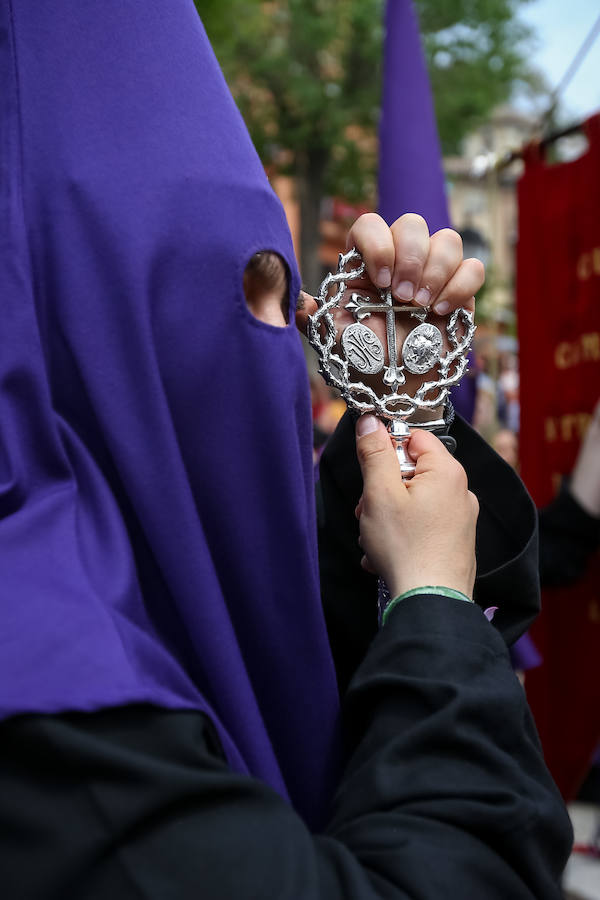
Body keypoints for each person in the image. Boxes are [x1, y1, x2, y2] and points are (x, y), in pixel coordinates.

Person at [0, 2, 571, 897]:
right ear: (73, 324)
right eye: (242, 290)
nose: (291, 331)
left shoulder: (135, 548)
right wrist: (431, 601)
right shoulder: (49, 718)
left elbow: (297, 666)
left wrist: (404, 411)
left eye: (285, 287)